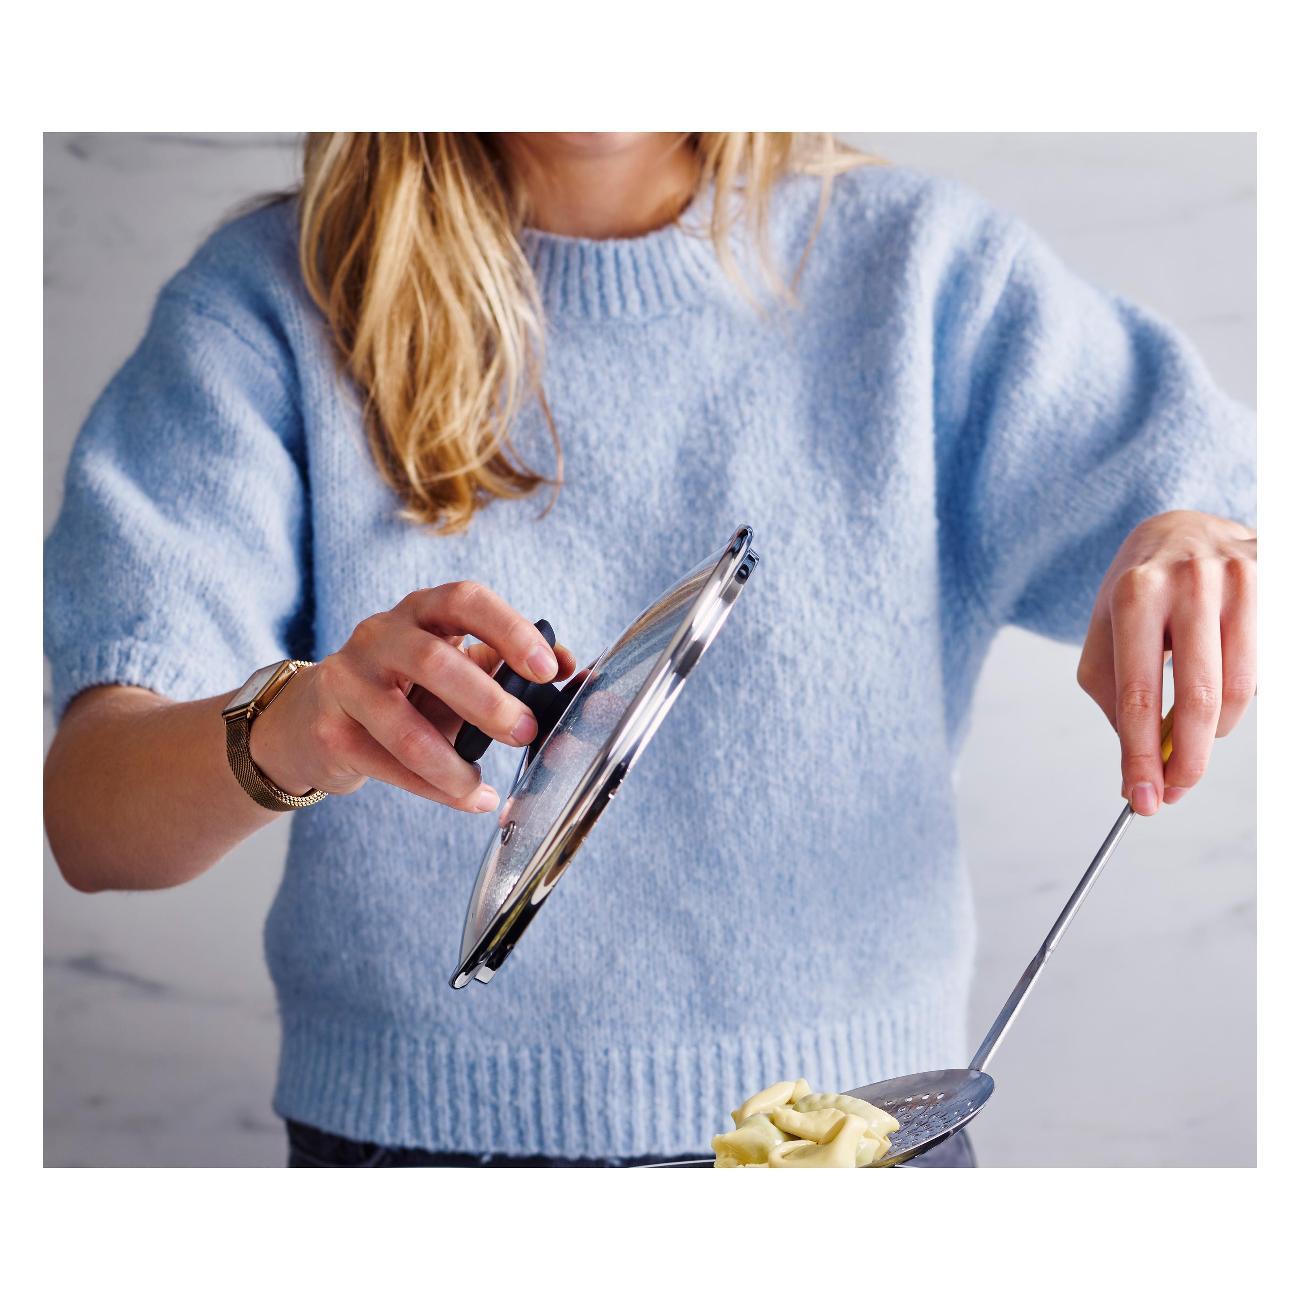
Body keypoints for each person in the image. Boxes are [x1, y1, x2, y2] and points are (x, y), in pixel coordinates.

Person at [43, 133, 1256, 1167]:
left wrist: (1201, 533)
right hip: (416, 1161)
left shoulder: (929, 272)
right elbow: (94, 822)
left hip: (861, 1143)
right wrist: (297, 726)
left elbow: (1226, 506)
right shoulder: (270, 302)